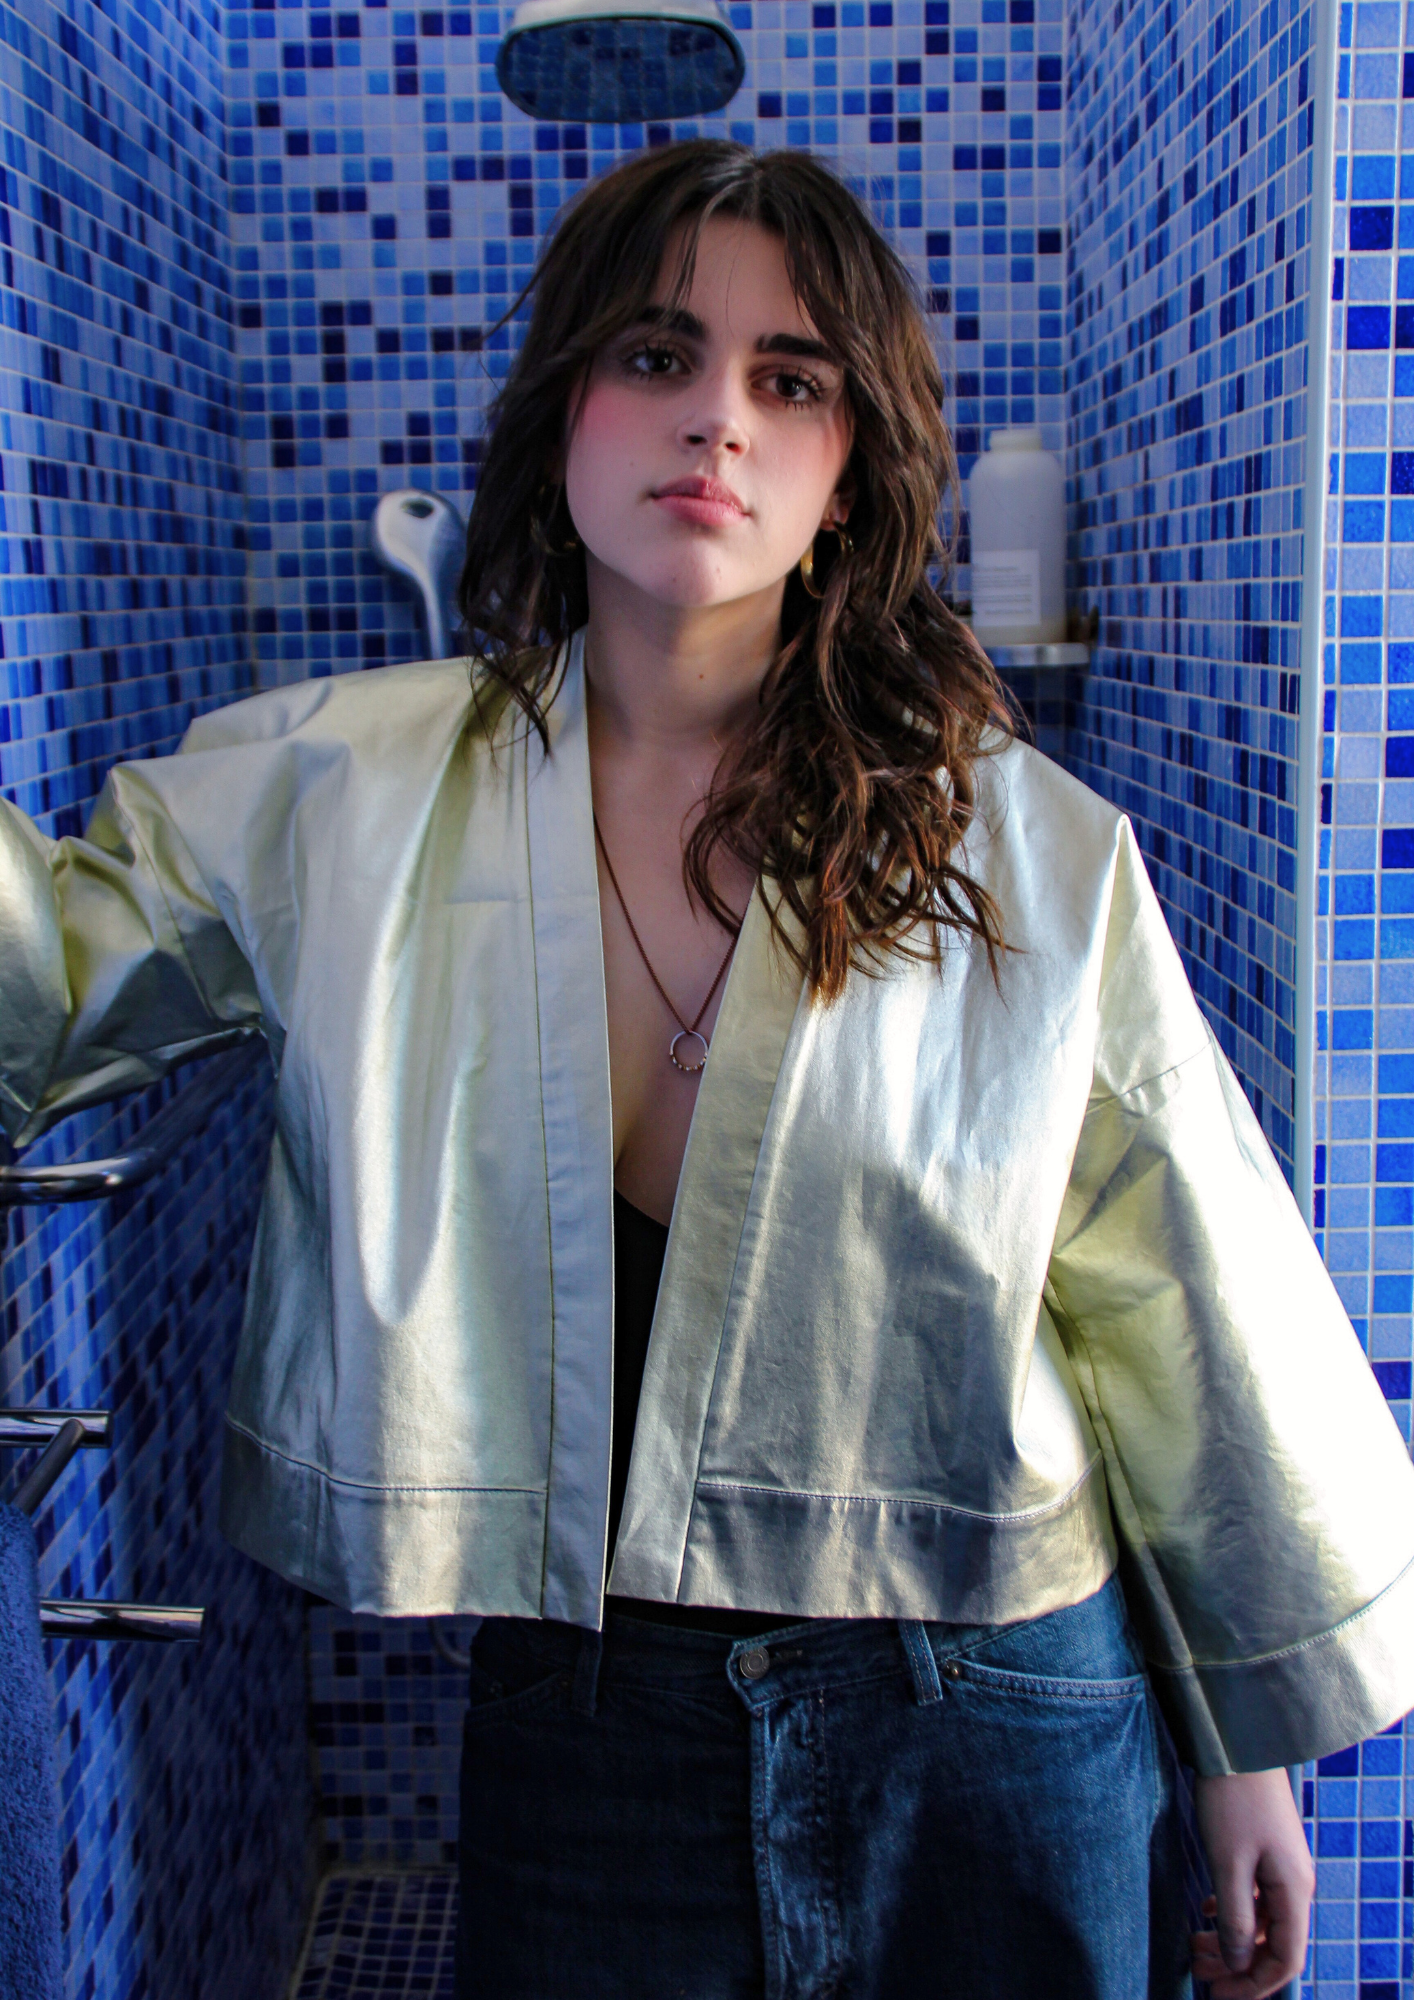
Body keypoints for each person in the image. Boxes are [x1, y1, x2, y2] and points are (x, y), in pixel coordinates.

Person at [1, 141, 1411, 2000]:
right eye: (657, 356)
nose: (717, 421)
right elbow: (49, 968)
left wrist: (1244, 1757)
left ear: (847, 471)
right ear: (564, 410)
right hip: (588, 1715)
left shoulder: (1022, 854)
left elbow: (1187, 1301)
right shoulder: (331, 790)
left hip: (988, 1697)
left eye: (790, 378)